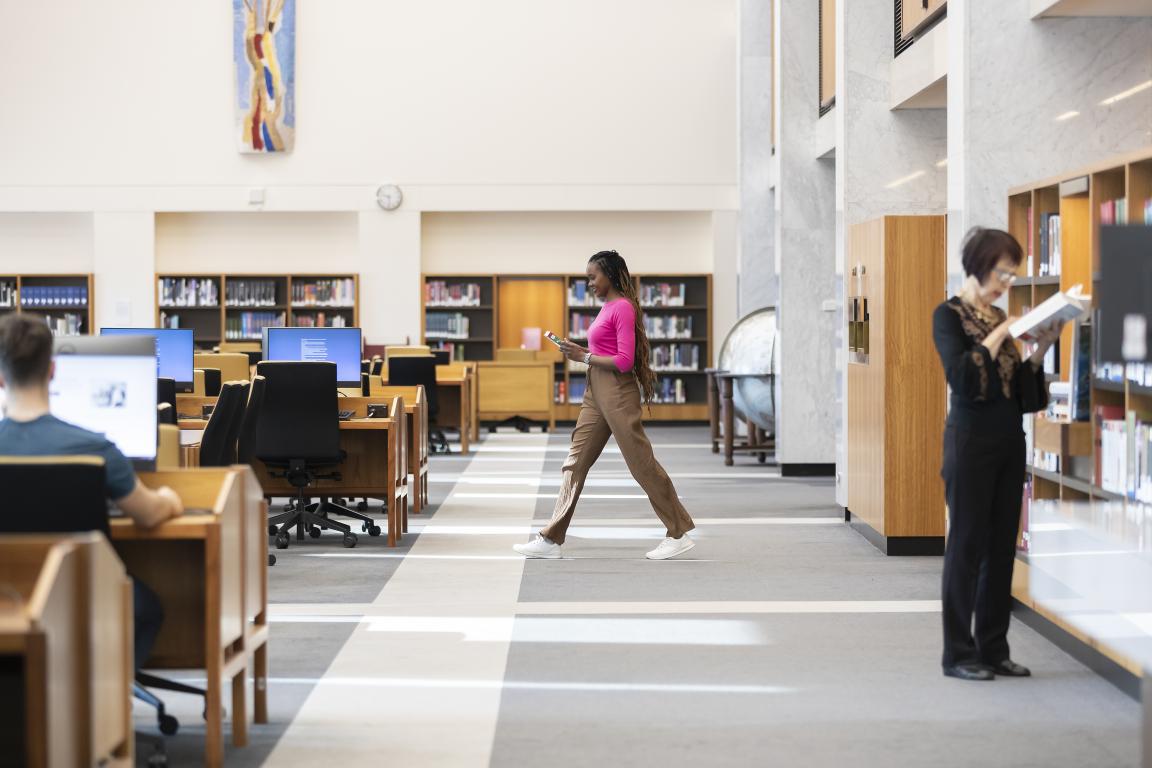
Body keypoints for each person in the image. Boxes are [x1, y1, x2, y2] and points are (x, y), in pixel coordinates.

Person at [0, 315, 184, 670]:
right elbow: (149, 514)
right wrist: (170, 498)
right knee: (147, 608)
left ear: (1, 378)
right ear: (52, 371)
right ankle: (104, 703)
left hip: (7, 595)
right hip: (83, 593)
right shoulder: (93, 448)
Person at [932, 227, 1062, 682]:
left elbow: (1024, 396)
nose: (1006, 283)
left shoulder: (1000, 316)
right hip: (970, 442)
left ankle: (993, 648)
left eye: (1012, 275)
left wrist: (1040, 347)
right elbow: (964, 380)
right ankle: (958, 653)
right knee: (965, 546)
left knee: (1001, 548)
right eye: (1002, 273)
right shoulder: (948, 316)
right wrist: (999, 333)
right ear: (979, 264)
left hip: (1010, 440)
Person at [514, 250, 696, 560]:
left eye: (593, 277)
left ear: (609, 275)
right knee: (575, 462)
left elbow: (624, 362)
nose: (589, 283)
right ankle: (551, 538)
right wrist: (580, 350)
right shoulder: (607, 308)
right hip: (595, 391)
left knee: (641, 463)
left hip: (617, 393)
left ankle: (677, 532)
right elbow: (606, 350)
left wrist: (583, 357)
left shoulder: (623, 308)